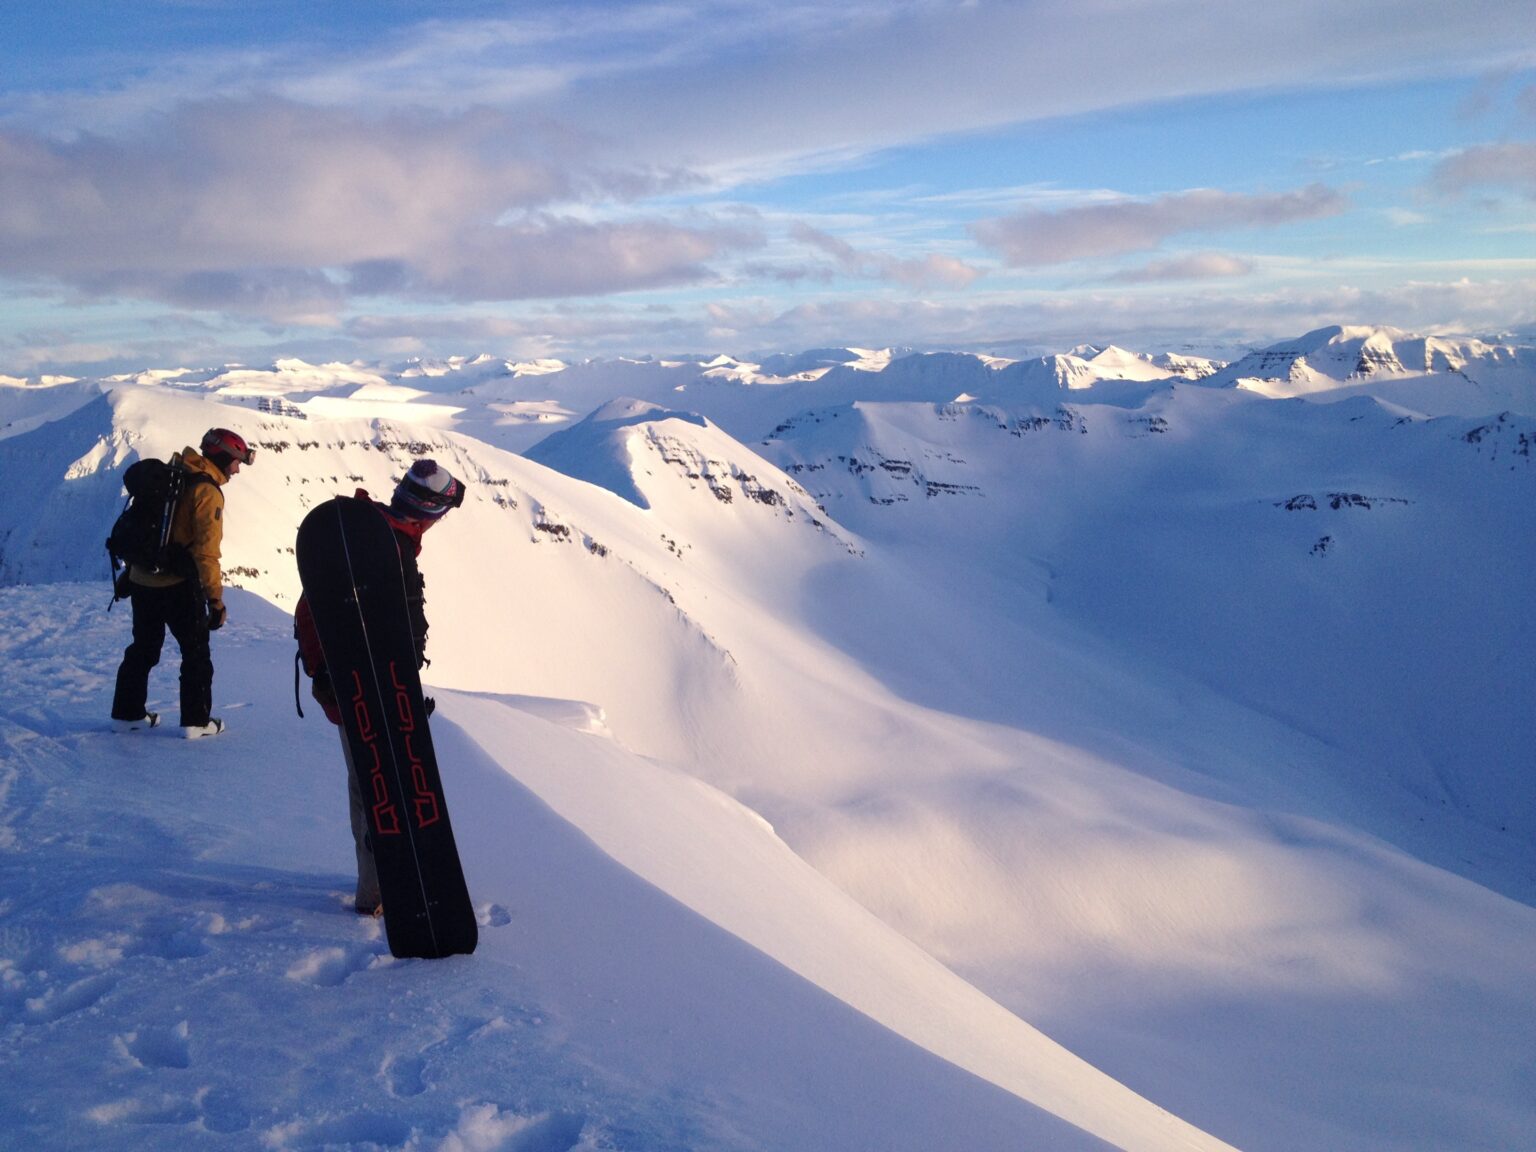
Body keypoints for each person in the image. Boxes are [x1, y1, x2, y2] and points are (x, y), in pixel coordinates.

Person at [294, 459, 465, 915]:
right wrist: (398, 693)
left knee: (365, 785)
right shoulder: (389, 549)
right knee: (382, 791)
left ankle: (374, 885)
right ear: (429, 513)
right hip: (373, 693)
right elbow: (391, 631)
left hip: (354, 688)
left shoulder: (359, 534)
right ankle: (378, 892)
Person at [111, 427, 254, 738]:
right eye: (236, 461)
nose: (238, 468)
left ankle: (127, 714)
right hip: (176, 584)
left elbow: (148, 528)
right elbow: (207, 553)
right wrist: (214, 600)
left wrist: (131, 571)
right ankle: (196, 721)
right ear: (223, 457)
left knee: (143, 648)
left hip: (142, 580)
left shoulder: (172, 475)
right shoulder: (207, 491)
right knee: (195, 652)